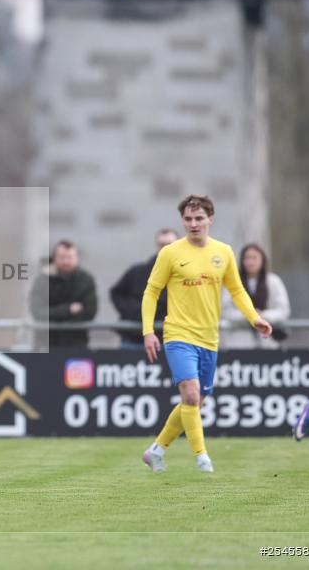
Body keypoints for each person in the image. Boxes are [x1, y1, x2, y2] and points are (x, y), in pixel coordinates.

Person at [141, 195, 272, 473]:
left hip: (209, 338)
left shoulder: (223, 252)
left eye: (199, 218)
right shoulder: (170, 253)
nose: (193, 224)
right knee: (190, 395)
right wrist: (148, 331)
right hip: (178, 335)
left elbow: (236, 290)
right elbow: (151, 292)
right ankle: (202, 459)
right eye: (188, 219)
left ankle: (156, 450)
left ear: (210, 219)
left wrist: (255, 318)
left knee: (195, 402)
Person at [110, 229, 179, 349]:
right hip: (134, 338)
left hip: (170, 340)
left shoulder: (184, 275)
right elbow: (116, 293)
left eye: (169, 245)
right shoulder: (137, 272)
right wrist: (133, 312)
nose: (165, 249)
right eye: (161, 245)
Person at [28, 240, 98, 349]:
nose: (66, 261)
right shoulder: (43, 280)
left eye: (70, 257)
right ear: (54, 258)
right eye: (62, 257)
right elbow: (38, 312)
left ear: (77, 258)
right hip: (45, 343)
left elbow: (89, 312)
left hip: (76, 343)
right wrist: (68, 310)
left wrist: (55, 315)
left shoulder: (86, 280)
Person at [221, 243, 290, 350]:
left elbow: (283, 310)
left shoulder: (273, 281)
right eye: (247, 258)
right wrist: (251, 316)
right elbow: (226, 310)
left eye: (254, 258)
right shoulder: (233, 281)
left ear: (262, 260)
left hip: (268, 343)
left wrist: (263, 316)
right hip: (239, 343)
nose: (250, 262)